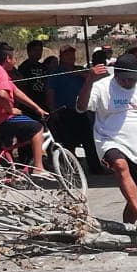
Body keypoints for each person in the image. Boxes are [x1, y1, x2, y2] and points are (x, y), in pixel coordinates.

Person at [77, 53, 137, 228]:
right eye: (123, 79)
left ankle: (130, 228)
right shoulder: (101, 86)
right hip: (108, 139)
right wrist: (89, 80)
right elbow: (81, 107)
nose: (127, 82)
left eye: (131, 79)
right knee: (120, 166)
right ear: (115, 74)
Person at [0, 43, 50, 176]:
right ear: (8, 59)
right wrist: (11, 110)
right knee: (37, 127)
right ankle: (39, 168)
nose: (16, 61)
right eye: (14, 58)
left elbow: (16, 92)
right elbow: (2, 94)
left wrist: (37, 108)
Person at [47, 45, 104, 175]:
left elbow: (94, 77)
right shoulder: (56, 72)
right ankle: (70, 169)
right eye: (67, 55)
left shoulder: (80, 70)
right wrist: (52, 109)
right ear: (61, 57)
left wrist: (79, 73)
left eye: (72, 55)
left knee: (88, 139)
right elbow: (50, 92)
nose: (71, 57)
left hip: (81, 109)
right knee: (68, 141)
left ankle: (96, 168)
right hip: (64, 110)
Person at [17, 39, 50, 114]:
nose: (38, 53)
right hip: (29, 102)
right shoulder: (24, 67)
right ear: (29, 51)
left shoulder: (43, 67)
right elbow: (22, 86)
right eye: (35, 50)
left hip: (42, 101)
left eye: (40, 50)